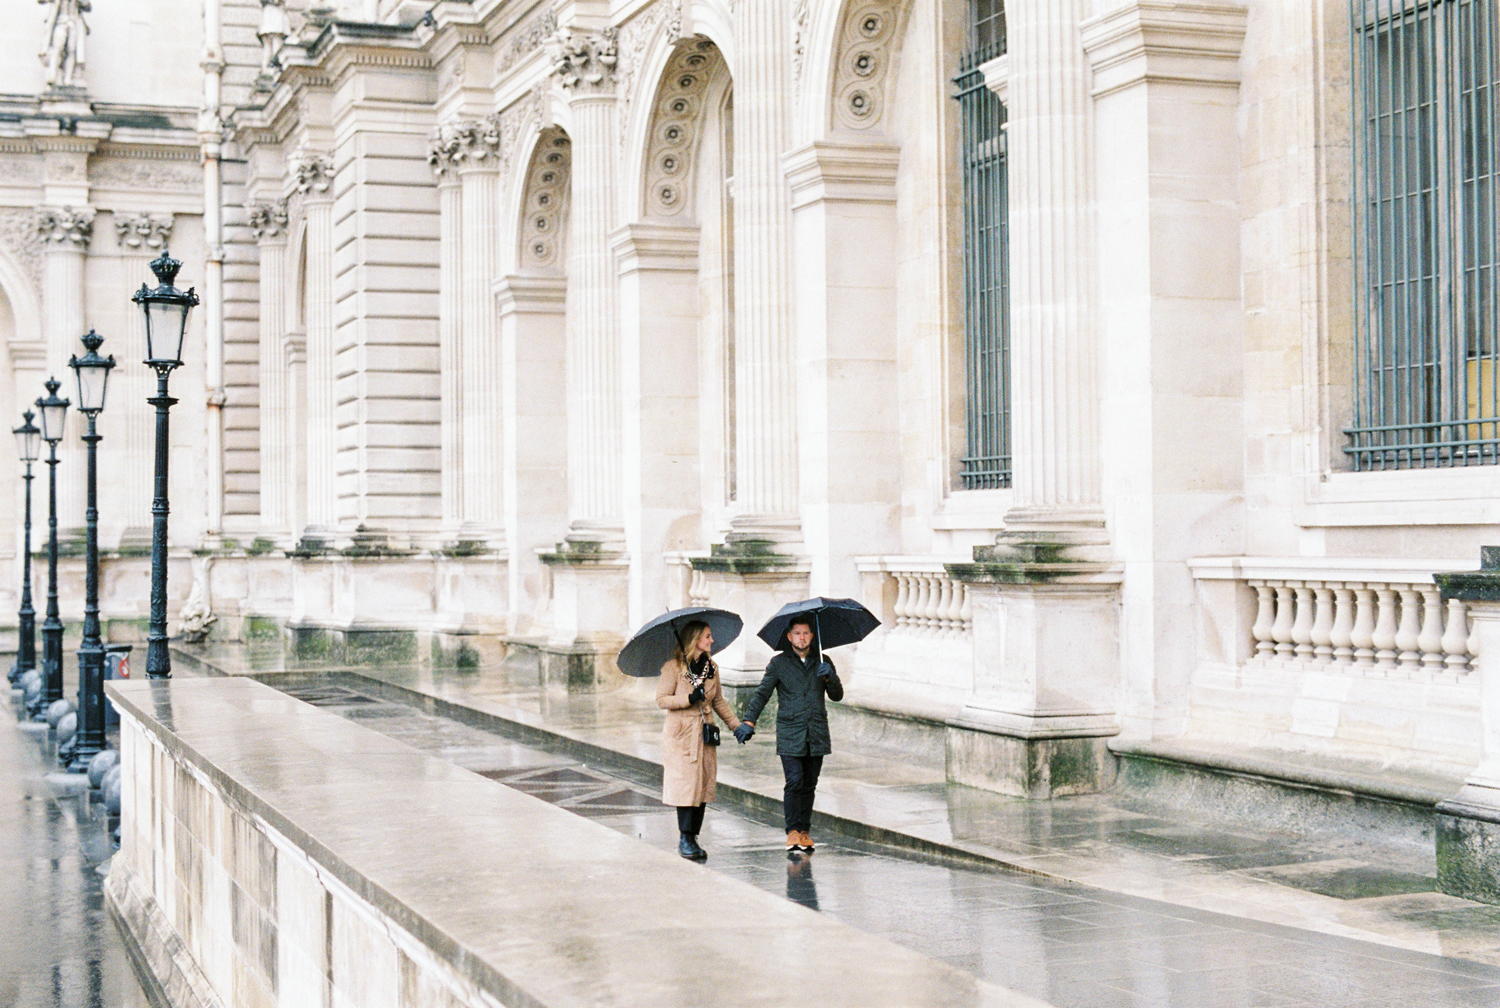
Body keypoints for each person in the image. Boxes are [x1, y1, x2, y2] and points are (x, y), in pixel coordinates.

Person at [735, 616, 843, 853]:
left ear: (812, 636)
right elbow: (763, 693)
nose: (801, 638)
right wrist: (748, 721)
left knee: (809, 784)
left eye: (806, 633)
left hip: (816, 732)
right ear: (789, 637)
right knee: (794, 781)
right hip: (790, 731)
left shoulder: (823, 661)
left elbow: (837, 695)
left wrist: (831, 677)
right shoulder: (778, 663)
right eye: (797, 633)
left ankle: (805, 832)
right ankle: (792, 831)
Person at [656, 620, 745, 861]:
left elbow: (718, 702)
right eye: (707, 636)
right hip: (681, 734)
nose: (712, 640)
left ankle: (694, 836)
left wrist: (736, 726)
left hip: (705, 732)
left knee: (703, 784)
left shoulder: (712, 667)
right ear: (695, 639)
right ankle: (685, 838)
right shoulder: (673, 667)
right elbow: (662, 699)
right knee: (685, 785)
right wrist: (688, 697)